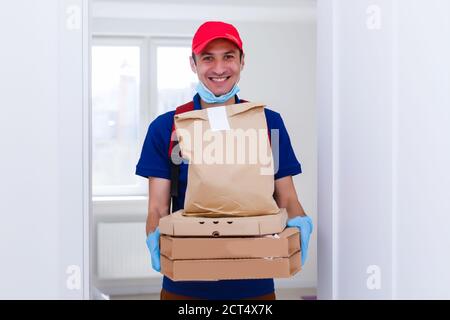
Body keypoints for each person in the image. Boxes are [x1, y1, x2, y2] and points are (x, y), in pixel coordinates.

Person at [136, 21, 313, 300]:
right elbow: (157, 208)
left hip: (254, 282)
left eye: (228, 56)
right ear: (193, 64)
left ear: (242, 61)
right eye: (208, 58)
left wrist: (299, 222)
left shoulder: (269, 125)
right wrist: (157, 237)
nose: (219, 69)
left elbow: (287, 198)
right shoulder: (167, 128)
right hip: (186, 283)